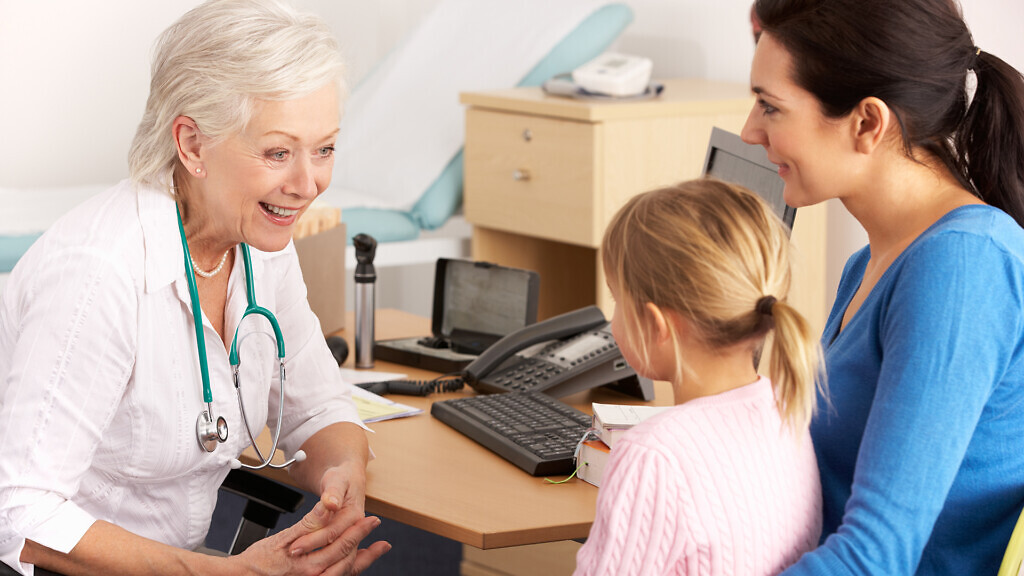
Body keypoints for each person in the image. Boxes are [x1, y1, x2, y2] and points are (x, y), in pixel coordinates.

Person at [0, 1, 391, 574]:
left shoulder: (261, 245)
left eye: (324, 148)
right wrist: (229, 573)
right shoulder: (100, 273)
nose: (309, 184)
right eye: (277, 152)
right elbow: (20, 514)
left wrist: (342, 484)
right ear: (192, 144)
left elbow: (319, 406)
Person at [741, 0, 1024, 573]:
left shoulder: (961, 268)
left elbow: (877, 557)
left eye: (770, 107)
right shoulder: (871, 262)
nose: (749, 131)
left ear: (868, 122)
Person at [574, 179, 825, 575]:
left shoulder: (652, 456)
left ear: (657, 324)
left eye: (618, 299)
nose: (612, 318)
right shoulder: (787, 408)